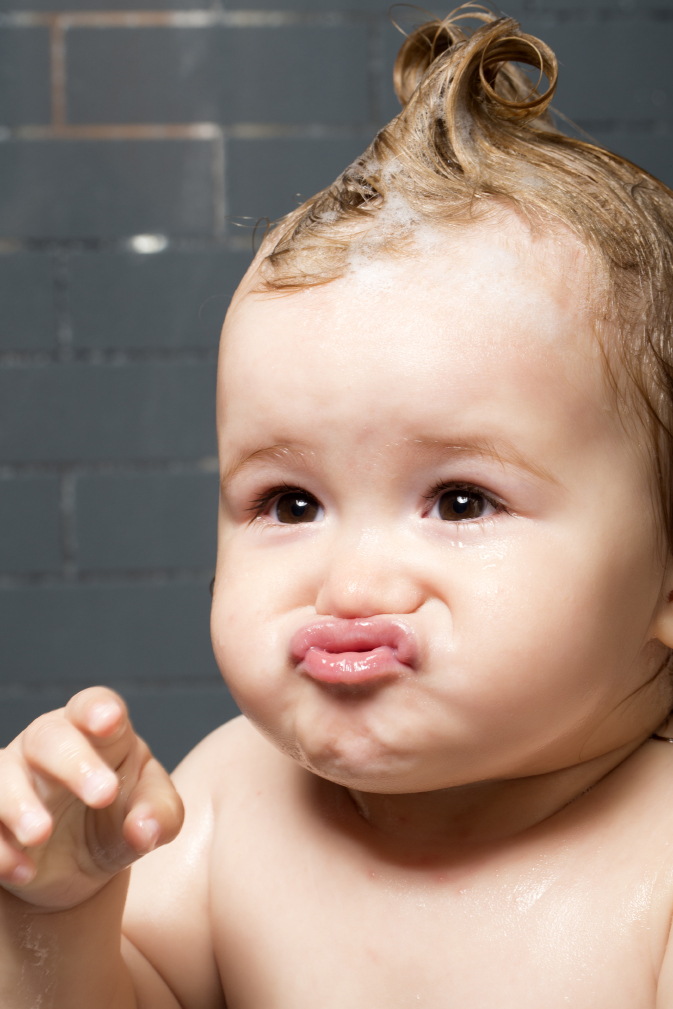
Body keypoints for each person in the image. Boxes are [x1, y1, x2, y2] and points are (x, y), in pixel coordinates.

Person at [3, 7, 673, 1006]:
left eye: (458, 499)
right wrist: (53, 919)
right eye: (289, 501)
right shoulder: (228, 804)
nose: (349, 581)